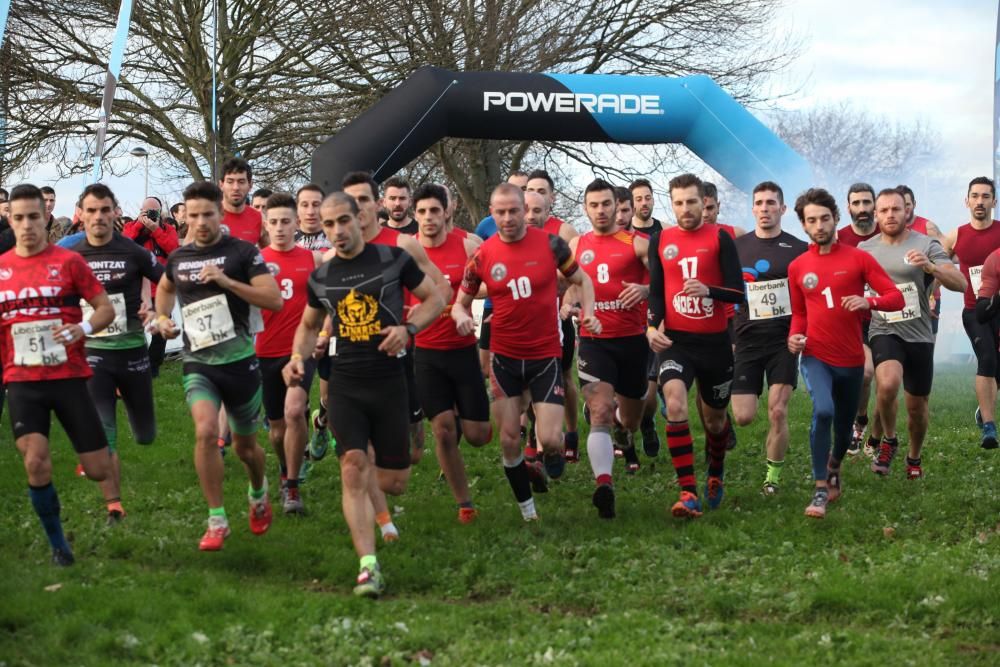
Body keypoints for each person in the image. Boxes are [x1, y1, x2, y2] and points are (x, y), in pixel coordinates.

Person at [283, 191, 445, 597]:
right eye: (328, 224)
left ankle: (385, 512)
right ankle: (368, 566)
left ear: (360, 218)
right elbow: (307, 325)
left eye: (343, 221)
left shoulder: (393, 260)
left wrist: (408, 329)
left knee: (395, 479)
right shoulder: (321, 276)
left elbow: (435, 299)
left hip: (391, 382)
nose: (337, 231)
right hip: (346, 382)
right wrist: (297, 357)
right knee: (353, 465)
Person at [453, 183, 599, 520]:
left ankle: (552, 454)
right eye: (500, 212)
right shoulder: (483, 255)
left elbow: (583, 280)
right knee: (508, 440)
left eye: (514, 211)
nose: (507, 218)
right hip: (503, 358)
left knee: (549, 439)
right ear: (492, 214)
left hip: (544, 355)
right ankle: (528, 511)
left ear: (524, 210)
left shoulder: (551, 244)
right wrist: (461, 318)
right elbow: (461, 304)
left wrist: (588, 312)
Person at [152, 181, 282, 551]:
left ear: (220, 213)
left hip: (240, 362)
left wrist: (227, 281)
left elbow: (273, 299)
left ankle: (258, 491)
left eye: (208, 214)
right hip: (199, 363)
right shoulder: (179, 257)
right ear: (185, 217)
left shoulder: (242, 253)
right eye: (193, 216)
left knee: (245, 449)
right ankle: (217, 518)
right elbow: (165, 287)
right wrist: (162, 318)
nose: (201, 222)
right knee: (207, 432)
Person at [1, 184, 116, 565]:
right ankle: (58, 545)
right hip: (21, 381)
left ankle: (106, 495)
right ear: (10, 220)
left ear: (45, 217)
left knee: (99, 469)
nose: (27, 225)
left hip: (68, 378)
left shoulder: (68, 263)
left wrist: (81, 329)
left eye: (34, 216)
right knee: (35, 461)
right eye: (18, 218)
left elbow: (105, 309)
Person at [787, 188, 903, 519]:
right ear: (803, 225)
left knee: (842, 426)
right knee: (822, 410)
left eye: (825, 218)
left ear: (836, 219)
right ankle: (820, 486)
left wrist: (870, 301)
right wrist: (794, 337)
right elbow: (799, 315)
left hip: (851, 358)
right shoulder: (798, 267)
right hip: (815, 355)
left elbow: (895, 297)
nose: (819, 225)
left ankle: (835, 465)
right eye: (812, 220)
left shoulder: (859, 258)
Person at [646, 174, 744, 518]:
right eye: (678, 202)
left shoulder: (720, 237)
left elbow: (738, 292)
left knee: (715, 422)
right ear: (670, 204)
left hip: (715, 344)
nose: (685, 209)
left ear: (704, 202)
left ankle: (715, 472)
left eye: (691, 201)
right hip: (677, 342)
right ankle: (687, 492)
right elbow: (656, 291)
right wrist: (649, 326)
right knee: (674, 403)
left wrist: (709, 290)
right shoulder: (660, 240)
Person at [68, 184, 164, 523]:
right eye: (91, 210)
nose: (98, 217)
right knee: (104, 429)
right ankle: (114, 505)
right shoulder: (74, 255)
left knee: (145, 434)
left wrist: (154, 309)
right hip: (94, 353)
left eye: (104, 210)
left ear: (115, 212)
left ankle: (140, 424)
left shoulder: (133, 251)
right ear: (81, 214)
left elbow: (165, 279)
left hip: (133, 350)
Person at [859, 189, 964, 478]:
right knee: (888, 383)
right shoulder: (865, 250)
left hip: (918, 333)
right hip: (884, 329)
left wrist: (931, 267)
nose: (890, 214)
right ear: (876, 215)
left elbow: (961, 284)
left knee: (917, 409)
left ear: (907, 212)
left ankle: (914, 457)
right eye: (884, 210)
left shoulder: (927, 243)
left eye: (896, 209)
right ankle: (889, 440)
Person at [567, 179, 650, 518]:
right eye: (594, 205)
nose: (600, 211)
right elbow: (569, 285)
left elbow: (665, 279)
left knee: (629, 418)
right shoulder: (576, 245)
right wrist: (569, 305)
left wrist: (645, 292)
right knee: (599, 410)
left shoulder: (637, 243)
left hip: (632, 341)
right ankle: (604, 484)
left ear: (618, 206)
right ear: (585, 208)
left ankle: (623, 430)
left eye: (606, 204)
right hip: (594, 341)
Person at [412, 183, 492, 523]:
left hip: (462, 350)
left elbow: (494, 280)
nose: (429, 218)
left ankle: (465, 416)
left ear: (448, 210)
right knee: (442, 429)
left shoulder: (469, 245)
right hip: (425, 353)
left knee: (477, 436)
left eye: (435, 210)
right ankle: (465, 503)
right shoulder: (407, 250)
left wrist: (469, 299)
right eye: (422, 212)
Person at [731, 182, 807, 494]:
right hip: (746, 340)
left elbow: (808, 294)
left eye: (771, 203)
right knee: (743, 417)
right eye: (759, 203)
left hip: (783, 341)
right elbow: (726, 293)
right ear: (752, 209)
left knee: (778, 410)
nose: (765, 208)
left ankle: (772, 479)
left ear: (782, 209)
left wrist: (803, 332)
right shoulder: (736, 247)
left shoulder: (799, 249)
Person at [256, 192, 321, 514]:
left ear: (297, 223)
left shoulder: (313, 261)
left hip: (300, 351)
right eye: (274, 222)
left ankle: (292, 487)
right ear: (265, 225)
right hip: (265, 352)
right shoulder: (254, 262)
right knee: (277, 429)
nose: (280, 228)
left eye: (286, 221)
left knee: (295, 411)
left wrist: (323, 333)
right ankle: (285, 469)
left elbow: (327, 302)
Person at [525, 170, 581, 460]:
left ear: (552, 198)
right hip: (526, 318)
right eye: (531, 190)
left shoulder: (564, 231)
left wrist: (564, 297)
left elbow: (577, 276)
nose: (536, 196)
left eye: (542, 192)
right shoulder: (513, 229)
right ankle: (538, 439)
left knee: (565, 375)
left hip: (558, 316)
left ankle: (570, 433)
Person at [942, 176, 1000, 449]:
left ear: (994, 201)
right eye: (975, 196)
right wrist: (932, 292)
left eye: (985, 196)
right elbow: (938, 262)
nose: (980, 201)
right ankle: (989, 427)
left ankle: (984, 407)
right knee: (987, 358)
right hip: (973, 311)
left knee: (996, 366)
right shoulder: (956, 236)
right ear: (967, 201)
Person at [838, 183, 882, 457]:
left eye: (867, 203)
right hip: (853, 320)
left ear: (874, 205)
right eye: (857, 203)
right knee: (866, 373)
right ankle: (861, 419)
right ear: (848, 208)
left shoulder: (887, 233)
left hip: (887, 316)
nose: (863, 209)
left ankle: (879, 436)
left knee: (887, 382)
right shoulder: (839, 238)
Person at [474, 171, 529, 377]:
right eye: (513, 188)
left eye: (523, 189)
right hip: (492, 306)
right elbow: (475, 268)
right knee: (486, 368)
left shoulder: (537, 228)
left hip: (528, 310)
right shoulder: (486, 225)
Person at [123, 197, 180, 379]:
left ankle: (154, 364)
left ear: (161, 212)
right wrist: (140, 225)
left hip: (160, 288)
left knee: (161, 329)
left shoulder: (167, 229)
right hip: (136, 289)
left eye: (153, 212)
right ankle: (133, 363)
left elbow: (173, 249)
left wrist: (156, 230)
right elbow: (124, 245)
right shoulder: (131, 227)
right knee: (133, 327)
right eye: (146, 211)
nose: (150, 215)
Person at [218, 158, 266, 246]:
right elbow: (188, 254)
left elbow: (271, 254)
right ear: (221, 185)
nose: (236, 187)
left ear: (250, 185)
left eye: (241, 182)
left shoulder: (259, 219)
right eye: (230, 181)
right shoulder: (207, 216)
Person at [294, 184, 330, 251]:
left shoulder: (335, 240)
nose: (310, 212)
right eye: (305, 205)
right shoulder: (287, 241)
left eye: (316, 205)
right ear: (297, 208)